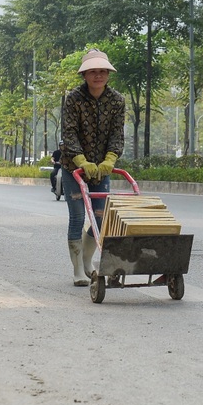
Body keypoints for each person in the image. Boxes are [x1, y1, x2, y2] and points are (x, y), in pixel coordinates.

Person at [61, 49, 125, 287]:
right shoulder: (73, 99)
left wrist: (109, 160)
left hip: (101, 168)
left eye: (102, 71)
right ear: (85, 75)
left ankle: (88, 261)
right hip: (74, 168)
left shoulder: (117, 101)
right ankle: (78, 269)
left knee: (100, 217)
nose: (98, 76)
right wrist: (81, 161)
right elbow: (69, 133)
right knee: (77, 216)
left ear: (108, 74)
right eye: (93, 72)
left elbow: (117, 134)